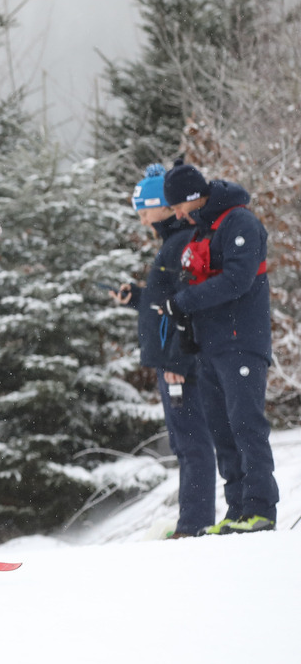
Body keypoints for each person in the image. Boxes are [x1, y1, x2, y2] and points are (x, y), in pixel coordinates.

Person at [159, 159, 278, 534]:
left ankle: (260, 509)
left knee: (246, 425)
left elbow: (238, 281)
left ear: (195, 197)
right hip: (209, 348)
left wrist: (186, 301)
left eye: (178, 204)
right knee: (223, 431)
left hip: (241, 341)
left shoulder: (239, 222)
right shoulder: (200, 231)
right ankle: (237, 509)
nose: (176, 213)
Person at [112, 164, 215, 537]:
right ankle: (193, 521)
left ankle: (195, 525)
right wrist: (136, 298)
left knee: (191, 442)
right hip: (173, 359)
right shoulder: (174, 242)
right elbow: (166, 304)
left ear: (162, 206)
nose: (142, 222)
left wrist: (178, 359)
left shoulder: (182, 242)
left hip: (180, 363)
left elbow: (190, 306)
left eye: (144, 213)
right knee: (185, 442)